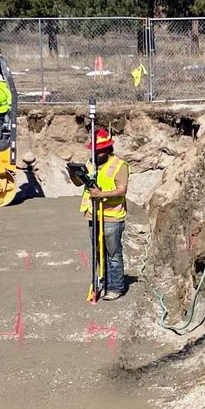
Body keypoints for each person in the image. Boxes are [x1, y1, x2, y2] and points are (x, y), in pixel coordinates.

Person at [80, 128, 130, 300]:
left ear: (108, 149)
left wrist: (101, 195)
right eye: (94, 150)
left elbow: (122, 190)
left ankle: (116, 287)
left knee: (113, 254)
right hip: (93, 215)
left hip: (111, 217)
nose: (96, 154)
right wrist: (75, 174)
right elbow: (79, 183)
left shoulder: (119, 165)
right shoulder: (90, 163)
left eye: (100, 151)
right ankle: (103, 282)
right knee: (98, 252)